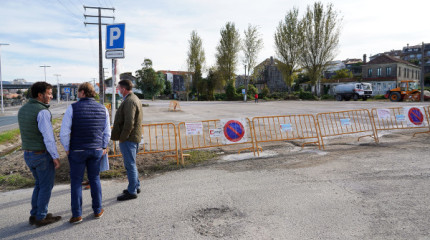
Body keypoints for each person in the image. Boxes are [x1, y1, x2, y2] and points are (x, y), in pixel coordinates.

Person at [60, 82, 111, 224]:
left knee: (76, 182)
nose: (77, 94)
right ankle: (98, 210)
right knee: (95, 179)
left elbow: (64, 132)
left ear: (83, 92)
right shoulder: (103, 109)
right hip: (95, 150)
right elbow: (107, 132)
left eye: (78, 91)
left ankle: (77, 215)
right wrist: (103, 146)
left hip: (77, 150)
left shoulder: (72, 108)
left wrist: (67, 147)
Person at [17, 82, 62, 227]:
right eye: (49, 93)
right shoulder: (42, 111)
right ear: (40, 95)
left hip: (28, 154)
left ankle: (35, 214)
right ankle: (41, 217)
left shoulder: (23, 109)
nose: (51, 96)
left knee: (39, 185)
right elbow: (48, 137)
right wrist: (55, 156)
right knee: (45, 186)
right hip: (41, 155)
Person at [111, 79, 143, 201]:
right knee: (132, 164)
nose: (118, 90)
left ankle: (132, 191)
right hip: (133, 137)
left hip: (129, 138)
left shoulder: (130, 101)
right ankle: (136, 186)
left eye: (118, 88)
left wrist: (123, 138)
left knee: (130, 165)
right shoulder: (133, 98)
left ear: (123, 89)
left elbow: (129, 123)